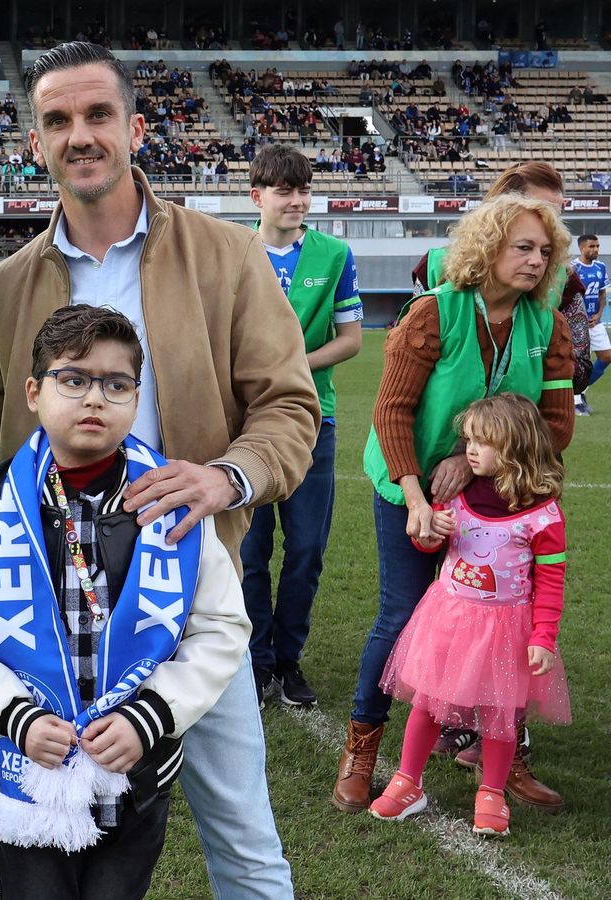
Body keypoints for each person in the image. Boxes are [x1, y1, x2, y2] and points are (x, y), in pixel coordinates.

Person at [0, 41, 315, 898]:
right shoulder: (10, 284)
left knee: (244, 843)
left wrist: (225, 478)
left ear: (137, 129)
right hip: (49, 624)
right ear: (36, 143)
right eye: (58, 120)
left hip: (182, 599)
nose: (80, 134)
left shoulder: (225, 256)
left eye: (98, 114)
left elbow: (290, 407)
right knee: (57, 853)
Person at [0, 305, 248, 898]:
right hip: (31, 765)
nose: (95, 398)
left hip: (137, 767)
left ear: (137, 399)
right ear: (33, 392)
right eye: (73, 379)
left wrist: (151, 716)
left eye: (116, 385)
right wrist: (13, 715)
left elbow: (221, 626)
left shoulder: (172, 499)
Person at [340, 193, 575, 814]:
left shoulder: (548, 324)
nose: (535, 260)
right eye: (522, 247)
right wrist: (417, 495)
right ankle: (362, 747)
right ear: (487, 249)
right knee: (402, 616)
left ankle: (504, 756)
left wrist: (474, 471)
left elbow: (555, 424)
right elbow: (393, 411)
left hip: (500, 501)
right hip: (410, 486)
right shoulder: (432, 313)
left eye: (543, 250)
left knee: (506, 626)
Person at [367, 394, 571, 837]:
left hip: (507, 629)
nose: (470, 450)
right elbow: (430, 545)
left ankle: (492, 792)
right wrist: (429, 534)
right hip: (449, 619)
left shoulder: (544, 514)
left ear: (514, 447)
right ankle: (407, 782)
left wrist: (543, 636)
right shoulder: (455, 495)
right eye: (469, 440)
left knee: (501, 714)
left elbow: (551, 582)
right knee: (428, 702)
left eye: (482, 442)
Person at [242, 143, 363, 708]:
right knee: (249, 551)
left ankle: (288, 660)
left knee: (307, 549)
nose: (297, 200)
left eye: (304, 190)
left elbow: (351, 340)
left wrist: (292, 366)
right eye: (284, 190)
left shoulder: (335, 254)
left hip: (316, 418)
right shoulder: (234, 250)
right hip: (245, 423)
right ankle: (256, 661)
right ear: (257, 196)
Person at [411, 163, 591, 396]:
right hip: (444, 417)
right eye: (537, 211)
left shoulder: (564, 279)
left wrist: (539, 354)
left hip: (523, 416)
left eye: (556, 217)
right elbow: (408, 356)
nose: (548, 225)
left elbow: (581, 372)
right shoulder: (435, 266)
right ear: (498, 212)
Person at [569, 234, 606, 412]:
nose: (596, 249)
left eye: (597, 246)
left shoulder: (601, 267)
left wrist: (598, 314)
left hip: (595, 321)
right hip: (577, 324)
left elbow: (602, 293)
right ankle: (576, 402)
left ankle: (581, 390)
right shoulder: (573, 268)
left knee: (606, 357)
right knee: (579, 361)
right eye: (592, 246)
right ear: (582, 248)